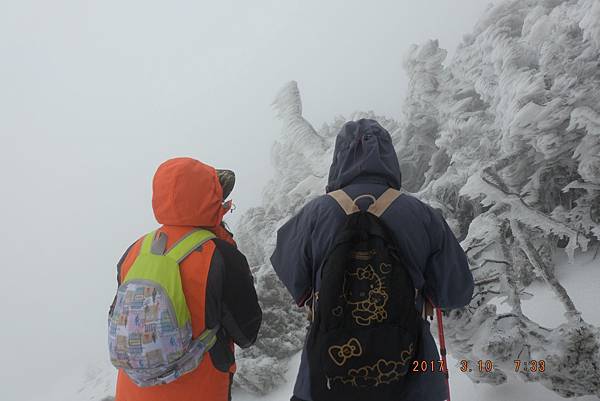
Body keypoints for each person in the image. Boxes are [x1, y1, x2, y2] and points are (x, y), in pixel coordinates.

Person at [271, 119, 474, 401]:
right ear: (389, 158)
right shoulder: (422, 214)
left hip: (324, 378)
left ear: (339, 159)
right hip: (413, 379)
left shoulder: (313, 215)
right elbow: (455, 292)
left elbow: (294, 278)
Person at [112, 157, 262, 401]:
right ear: (210, 200)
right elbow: (247, 334)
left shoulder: (134, 251)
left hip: (132, 392)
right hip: (200, 389)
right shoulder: (221, 255)